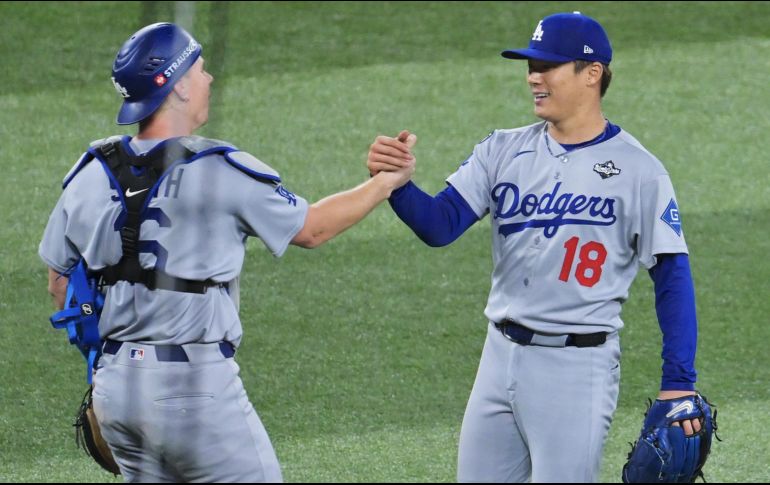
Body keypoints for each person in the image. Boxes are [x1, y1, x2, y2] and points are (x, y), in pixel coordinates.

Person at [39, 22, 413, 482]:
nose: (209, 79)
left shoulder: (87, 174)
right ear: (175, 88)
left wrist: (110, 365)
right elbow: (312, 229)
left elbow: (61, 289)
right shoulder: (218, 169)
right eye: (200, 69)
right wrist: (385, 182)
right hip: (193, 392)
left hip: (116, 391)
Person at [368, 12, 702, 483]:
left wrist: (678, 383)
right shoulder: (501, 149)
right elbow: (440, 225)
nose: (533, 77)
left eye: (547, 66)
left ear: (592, 74)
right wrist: (396, 185)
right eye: (530, 65)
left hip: (576, 369)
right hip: (498, 356)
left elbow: (672, 275)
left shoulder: (640, 171)